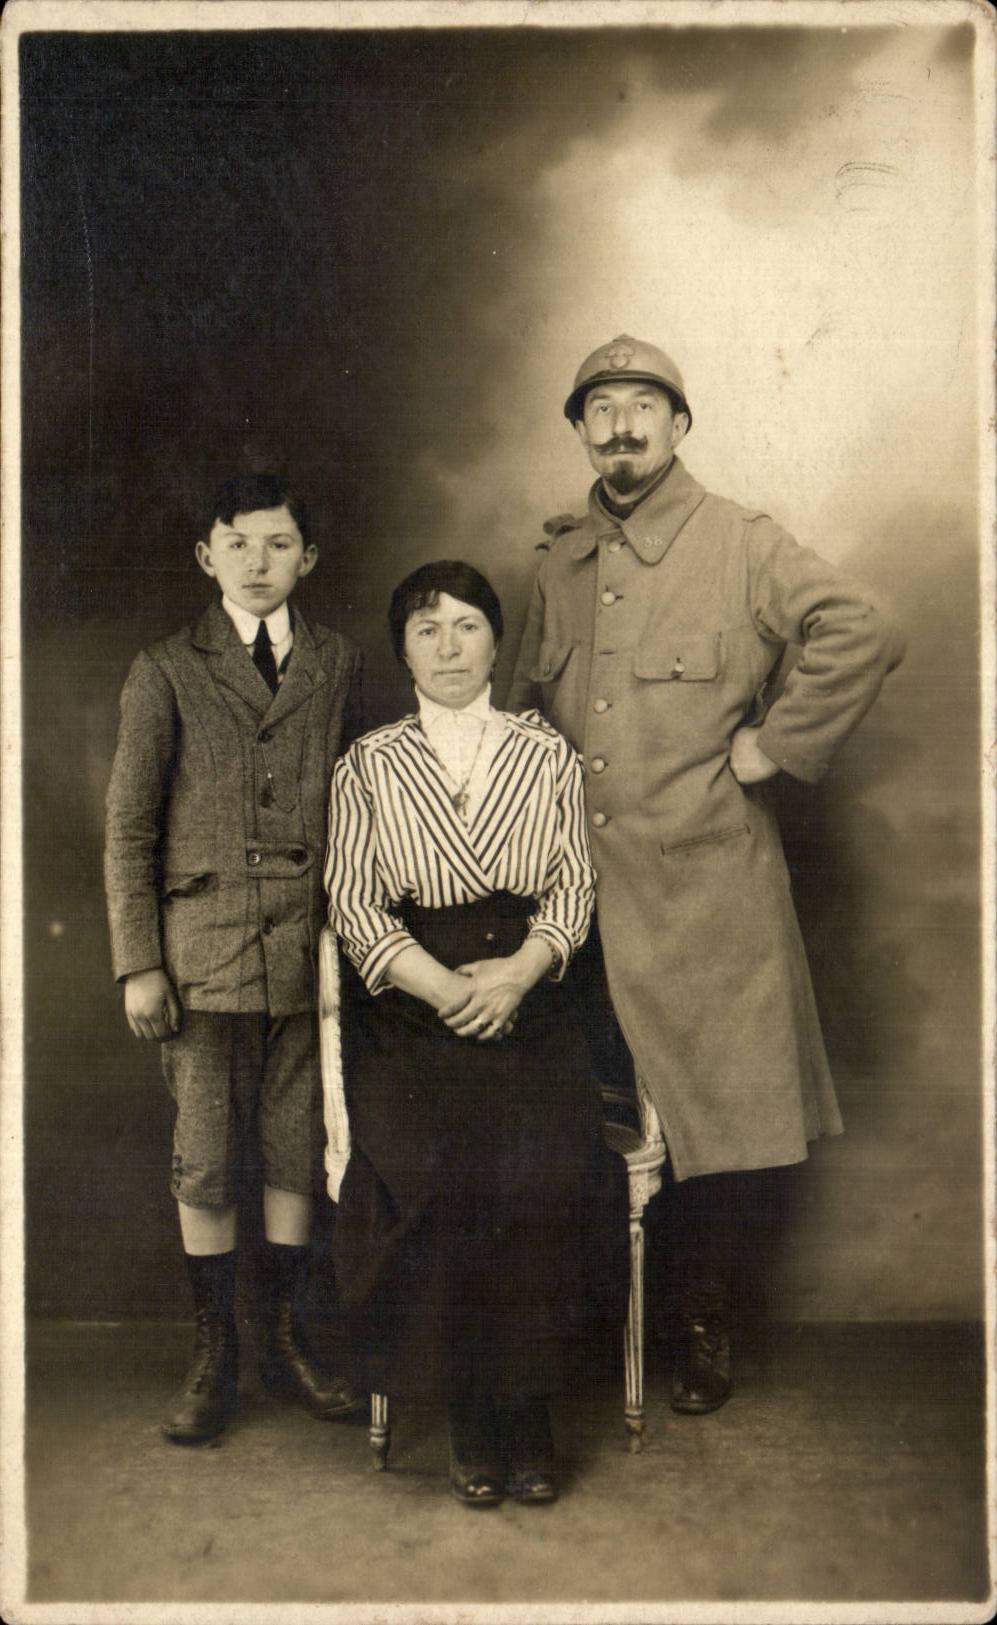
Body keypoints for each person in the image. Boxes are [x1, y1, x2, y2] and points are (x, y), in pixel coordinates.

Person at [509, 335, 905, 1416]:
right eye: (600, 408)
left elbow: (858, 627)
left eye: (644, 405)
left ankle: (701, 1319)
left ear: (680, 426)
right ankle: (597, 1324)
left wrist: (770, 747)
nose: (621, 425)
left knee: (717, 1128)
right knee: (580, 1119)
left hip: (703, 895)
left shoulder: (740, 541)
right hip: (577, 899)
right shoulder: (555, 560)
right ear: (580, 430)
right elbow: (516, 728)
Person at [324, 559, 626, 1507]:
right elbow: (357, 907)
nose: (447, 647)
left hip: (528, 993)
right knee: (440, 1160)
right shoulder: (369, 763)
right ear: (400, 647)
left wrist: (522, 970)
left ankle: (525, 1410)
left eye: (465, 627)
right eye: (425, 629)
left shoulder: (547, 755)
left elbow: (574, 886)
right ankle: (468, 1410)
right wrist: (440, 987)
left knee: (539, 1162)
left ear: (497, 640)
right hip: (412, 1010)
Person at [104, 472, 366, 1443]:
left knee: (298, 1148)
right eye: (240, 542)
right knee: (206, 1156)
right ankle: (215, 1352)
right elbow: (129, 829)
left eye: (280, 543)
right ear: (206, 554)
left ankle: (292, 1338)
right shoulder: (166, 668)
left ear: (309, 557)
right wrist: (141, 961)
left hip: (309, 952)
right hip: (201, 956)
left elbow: (365, 796)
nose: (260, 563)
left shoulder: (336, 663)